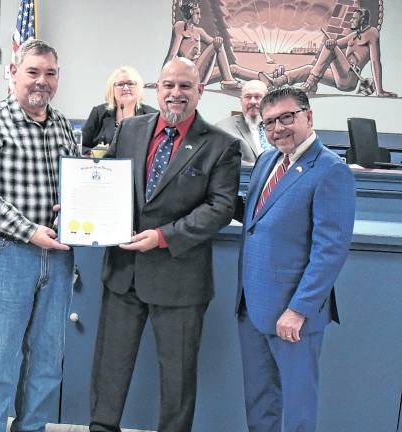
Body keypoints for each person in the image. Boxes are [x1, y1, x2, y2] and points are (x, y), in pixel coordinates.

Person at [89, 58, 241, 432]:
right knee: (109, 369)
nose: (176, 93)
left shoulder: (222, 146)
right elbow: (109, 182)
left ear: (200, 92)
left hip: (180, 281)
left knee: (177, 380)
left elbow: (220, 208)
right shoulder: (130, 130)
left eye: (185, 86)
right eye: (168, 85)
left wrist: (162, 237)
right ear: (157, 89)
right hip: (123, 274)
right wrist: (83, 207)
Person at [0, 39, 79, 432]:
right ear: (13, 73)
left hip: (57, 257)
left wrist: (75, 209)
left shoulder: (62, 125)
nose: (42, 80)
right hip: (5, 254)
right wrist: (29, 231)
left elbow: (76, 184)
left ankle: (32, 427)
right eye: (33, 72)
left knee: (47, 358)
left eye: (50, 73)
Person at [237, 87, 355, 432]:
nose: (278, 128)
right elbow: (257, 218)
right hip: (252, 307)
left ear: (309, 116)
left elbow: (330, 250)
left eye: (287, 117)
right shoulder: (266, 161)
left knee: (298, 408)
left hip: (293, 315)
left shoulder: (330, 170)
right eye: (269, 122)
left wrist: (299, 309)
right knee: (260, 402)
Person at [259, 8, 396, 97]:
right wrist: (331, 42)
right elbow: (336, 44)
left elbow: (375, 62)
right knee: (309, 68)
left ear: (363, 20)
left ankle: (310, 85)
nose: (351, 21)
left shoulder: (372, 33)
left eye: (355, 18)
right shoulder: (352, 36)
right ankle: (276, 83)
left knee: (330, 46)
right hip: (340, 77)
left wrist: (379, 91)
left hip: (351, 77)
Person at [165, 0, 240, 89]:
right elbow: (172, 55)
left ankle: (254, 77)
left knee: (233, 68)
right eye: (197, 13)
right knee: (217, 44)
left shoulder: (199, 31)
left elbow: (216, 44)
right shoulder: (180, 27)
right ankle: (228, 82)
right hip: (189, 74)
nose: (200, 17)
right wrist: (163, 79)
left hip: (200, 73)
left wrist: (218, 42)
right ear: (189, 13)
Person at [81, 65, 157, 153]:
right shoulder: (98, 113)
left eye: (130, 84)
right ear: (112, 89)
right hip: (105, 162)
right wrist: (94, 153)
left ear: (139, 88)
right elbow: (80, 146)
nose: (126, 88)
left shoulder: (152, 115)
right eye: (120, 84)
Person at [215, 79, 272, 163]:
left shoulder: (279, 126)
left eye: (257, 97)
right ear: (241, 101)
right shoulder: (223, 129)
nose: (252, 101)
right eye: (248, 97)